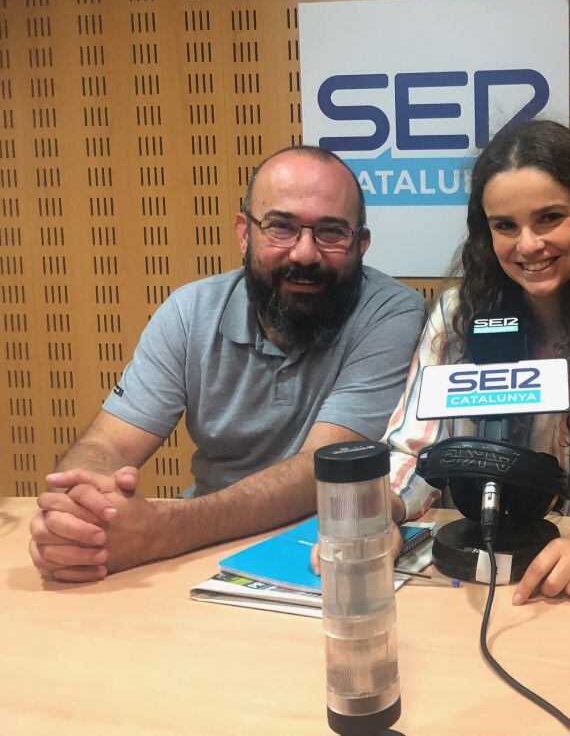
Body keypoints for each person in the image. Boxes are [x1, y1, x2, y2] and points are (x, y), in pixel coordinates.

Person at [29, 146, 426, 581]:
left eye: (331, 232)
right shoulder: (190, 311)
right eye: (281, 227)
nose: (305, 254)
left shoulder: (392, 313)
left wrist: (161, 531)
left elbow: (323, 469)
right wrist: (79, 517)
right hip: (196, 552)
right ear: (244, 233)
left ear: (361, 245)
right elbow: (104, 447)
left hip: (318, 553)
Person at [385, 119, 570, 603]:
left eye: (549, 218)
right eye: (505, 226)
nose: (527, 245)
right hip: (464, 577)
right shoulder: (457, 315)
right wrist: (378, 517)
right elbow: (413, 449)